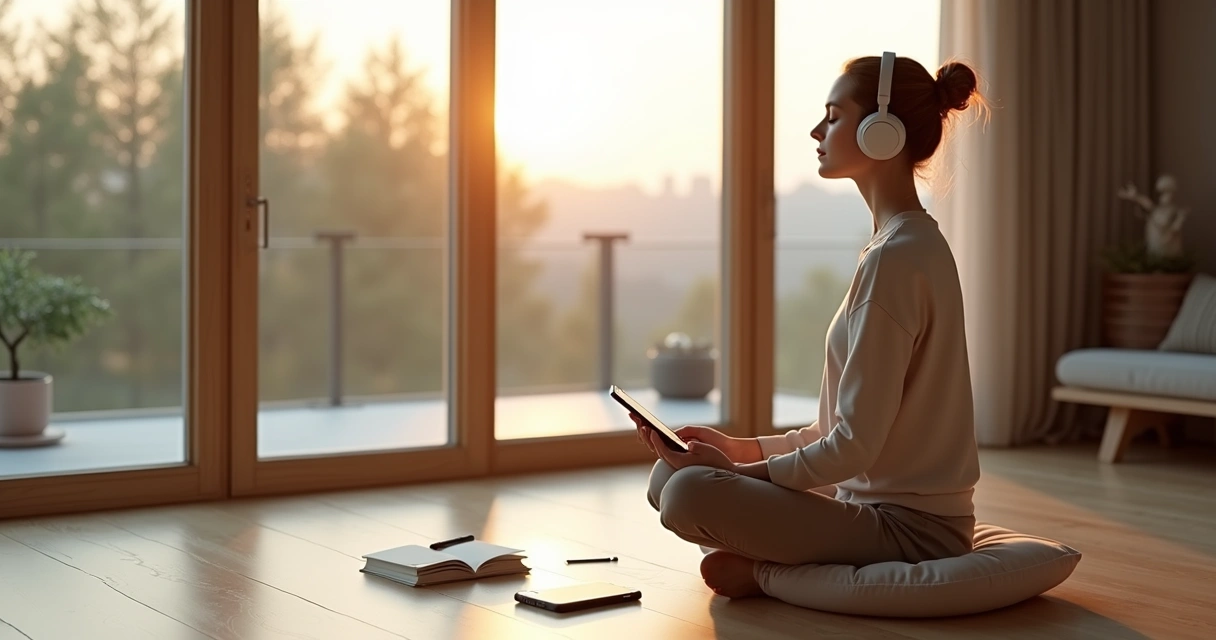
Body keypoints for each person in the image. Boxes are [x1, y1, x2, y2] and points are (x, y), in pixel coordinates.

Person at [631, 52, 989, 602]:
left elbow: (851, 450)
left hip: (914, 533)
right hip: (868, 507)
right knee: (671, 479)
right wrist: (739, 449)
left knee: (687, 495)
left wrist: (731, 473)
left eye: (834, 115)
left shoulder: (897, 259)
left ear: (880, 132)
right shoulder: (898, 246)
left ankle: (769, 575)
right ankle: (767, 556)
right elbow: (835, 434)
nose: (816, 131)